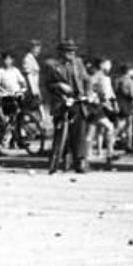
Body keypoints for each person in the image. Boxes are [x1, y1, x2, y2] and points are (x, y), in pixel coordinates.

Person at [43, 39, 91, 173]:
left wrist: (89, 93)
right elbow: (48, 84)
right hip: (61, 100)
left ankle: (80, 161)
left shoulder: (78, 63)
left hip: (77, 100)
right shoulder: (52, 65)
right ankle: (57, 158)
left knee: (79, 131)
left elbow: (87, 80)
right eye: (68, 51)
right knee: (60, 129)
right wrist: (59, 85)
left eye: (73, 50)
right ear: (61, 52)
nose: (71, 53)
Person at [86, 58, 119, 164]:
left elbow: (109, 93)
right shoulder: (98, 78)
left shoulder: (102, 77)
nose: (110, 66)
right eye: (108, 64)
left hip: (97, 107)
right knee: (95, 131)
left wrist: (112, 102)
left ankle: (107, 154)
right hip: (95, 107)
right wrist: (105, 102)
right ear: (102, 65)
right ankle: (106, 154)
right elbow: (94, 92)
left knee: (95, 130)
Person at [115, 63, 133, 152]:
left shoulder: (117, 80)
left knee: (118, 124)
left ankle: (116, 140)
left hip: (119, 103)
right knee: (129, 125)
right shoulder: (130, 81)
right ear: (129, 71)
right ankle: (128, 145)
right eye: (132, 70)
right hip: (128, 104)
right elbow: (132, 95)